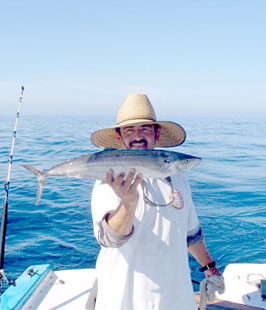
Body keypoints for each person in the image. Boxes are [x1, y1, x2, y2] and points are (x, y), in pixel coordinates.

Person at [89, 94, 221, 310]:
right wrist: (127, 203)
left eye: (145, 129)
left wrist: (210, 266)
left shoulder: (178, 177)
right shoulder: (109, 179)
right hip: (124, 300)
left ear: (157, 133)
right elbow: (109, 238)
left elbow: (191, 234)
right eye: (130, 130)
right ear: (119, 137)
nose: (137, 136)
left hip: (176, 298)